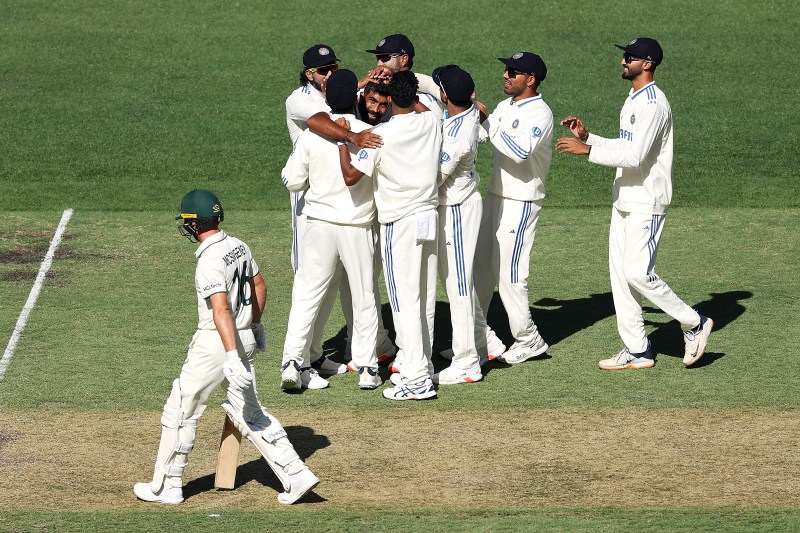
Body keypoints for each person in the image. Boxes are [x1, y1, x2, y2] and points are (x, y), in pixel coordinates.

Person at [133, 189, 319, 505]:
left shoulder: (209, 259)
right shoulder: (239, 246)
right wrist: (255, 326)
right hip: (242, 338)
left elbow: (220, 310)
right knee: (251, 414)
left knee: (181, 409)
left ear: (193, 224)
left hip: (218, 344)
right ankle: (297, 474)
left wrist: (231, 354)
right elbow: (259, 286)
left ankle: (168, 485)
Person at [556, 37, 713, 369]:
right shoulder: (633, 98)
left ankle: (694, 321)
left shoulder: (655, 104)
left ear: (648, 64)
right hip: (624, 198)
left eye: (630, 57)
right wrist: (590, 138)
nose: (623, 61)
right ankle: (638, 350)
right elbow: (626, 144)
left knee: (638, 274)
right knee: (621, 279)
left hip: (647, 199)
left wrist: (589, 152)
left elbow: (637, 156)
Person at [283, 44, 386, 387]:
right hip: (358, 226)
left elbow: (292, 180)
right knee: (365, 295)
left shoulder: (313, 136)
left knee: (307, 294)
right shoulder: (373, 136)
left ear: (328, 100)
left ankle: (292, 366)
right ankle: (368, 369)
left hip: (319, 223)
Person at [339, 71, 442, 400]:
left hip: (400, 223)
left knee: (402, 302)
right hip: (429, 217)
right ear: (414, 96)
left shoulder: (382, 135)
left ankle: (416, 378)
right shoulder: (431, 121)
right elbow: (425, 109)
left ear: (389, 101)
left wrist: (345, 140)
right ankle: (421, 366)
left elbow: (352, 176)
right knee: (423, 297)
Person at [473, 52, 553, 365]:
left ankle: (529, 339)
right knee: (479, 270)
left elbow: (519, 152)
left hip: (521, 202)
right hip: (495, 197)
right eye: (506, 69)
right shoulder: (505, 106)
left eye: (512, 71)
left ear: (530, 79)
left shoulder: (540, 113)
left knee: (510, 274)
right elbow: (485, 136)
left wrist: (487, 122)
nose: (505, 75)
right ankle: (475, 339)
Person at [429, 66, 485, 385]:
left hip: (456, 211)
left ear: (445, 97)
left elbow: (434, 179)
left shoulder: (457, 136)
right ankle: (470, 345)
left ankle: (467, 363)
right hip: (456, 207)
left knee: (458, 285)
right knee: (457, 283)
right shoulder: (468, 110)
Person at [360, 33, 443, 120]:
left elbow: (437, 126)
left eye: (384, 58)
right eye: (378, 58)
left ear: (403, 59)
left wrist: (395, 77)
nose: (379, 64)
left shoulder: (426, 101)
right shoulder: (371, 88)